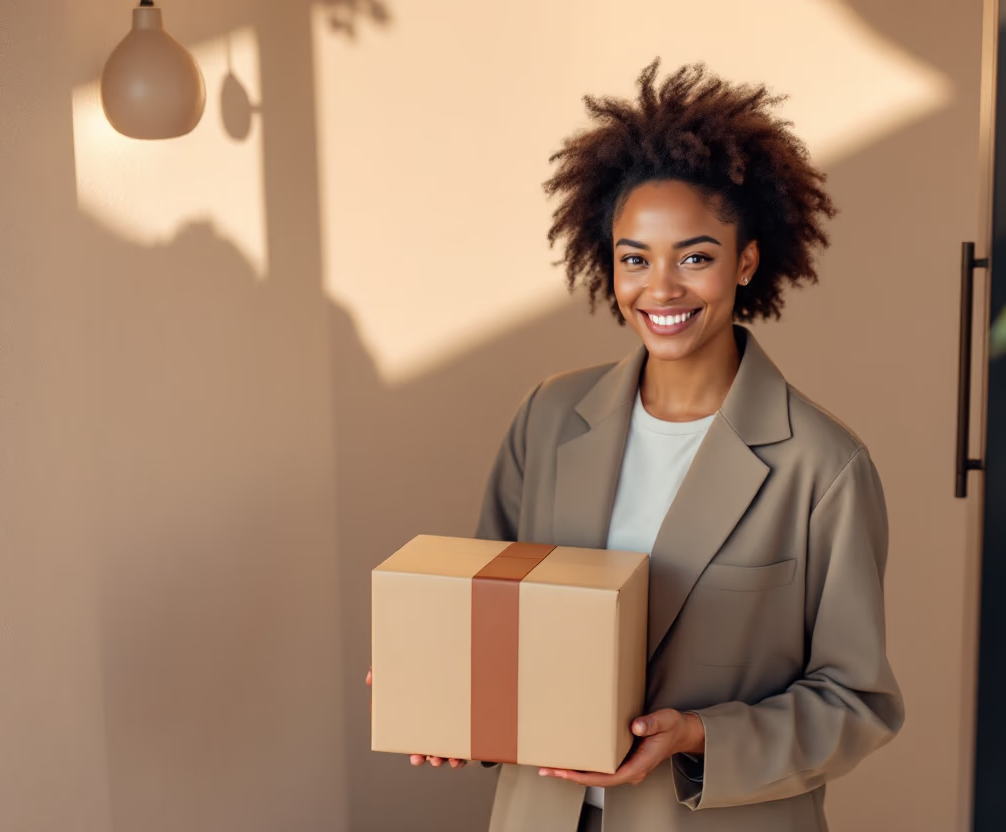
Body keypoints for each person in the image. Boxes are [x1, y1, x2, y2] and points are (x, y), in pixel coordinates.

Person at [374, 59, 904, 832]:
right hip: (544, 813)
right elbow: (488, 614)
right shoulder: (549, 419)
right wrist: (445, 692)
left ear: (745, 262)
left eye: (694, 256)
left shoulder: (823, 467)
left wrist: (697, 738)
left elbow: (856, 703)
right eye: (635, 259)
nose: (661, 290)